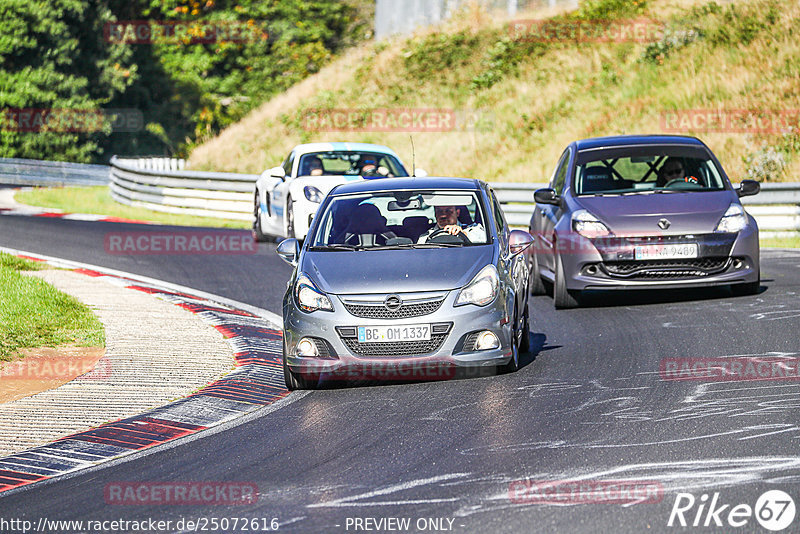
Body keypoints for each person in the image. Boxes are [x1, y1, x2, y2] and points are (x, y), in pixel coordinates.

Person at [417, 205, 486, 243]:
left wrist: (463, 234)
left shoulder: (473, 230)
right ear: (435, 213)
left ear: (457, 213)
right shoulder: (426, 236)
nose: (443, 215)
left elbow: (485, 242)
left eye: (448, 211)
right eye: (439, 211)